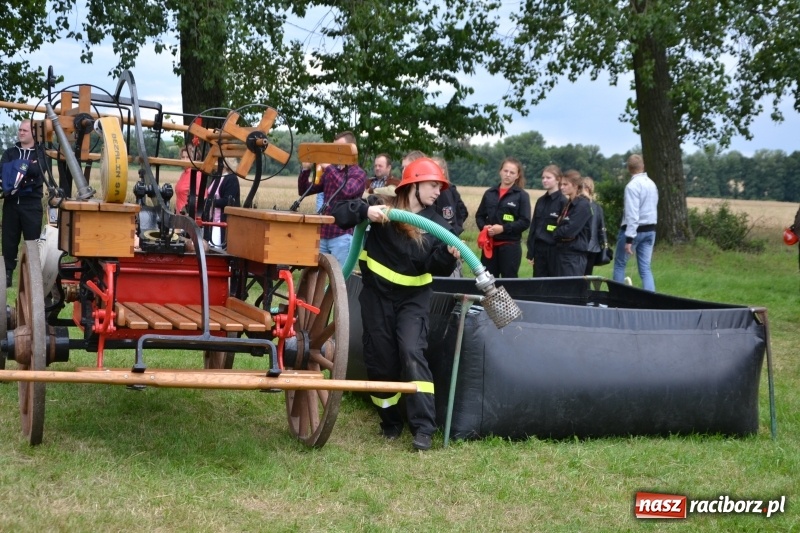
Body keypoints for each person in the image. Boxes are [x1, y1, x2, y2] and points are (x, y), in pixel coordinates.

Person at [332, 157, 459, 451]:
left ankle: (423, 428)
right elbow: (339, 213)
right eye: (432, 185)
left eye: (439, 187)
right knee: (380, 360)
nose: (437, 192)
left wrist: (447, 256)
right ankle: (390, 422)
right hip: (376, 296)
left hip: (412, 301)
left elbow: (434, 267)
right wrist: (365, 210)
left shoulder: (437, 225)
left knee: (412, 352)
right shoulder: (381, 207)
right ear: (413, 185)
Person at [298, 131, 367, 267]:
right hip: (323, 234)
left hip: (342, 236)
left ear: (350, 150)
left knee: (340, 280)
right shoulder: (332, 172)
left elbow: (347, 190)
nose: (335, 152)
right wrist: (306, 169)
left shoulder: (358, 174)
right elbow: (304, 191)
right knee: (316, 277)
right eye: (334, 148)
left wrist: (329, 167)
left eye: (339, 149)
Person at [0, 120, 46, 287]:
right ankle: (7, 275)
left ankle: (31, 278)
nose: (21, 132)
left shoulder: (40, 153)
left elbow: (38, 171)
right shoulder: (10, 152)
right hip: (11, 204)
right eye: (20, 130)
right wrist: (25, 169)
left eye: (25, 130)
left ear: (34, 133)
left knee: (32, 243)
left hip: (31, 205)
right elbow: (4, 172)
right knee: (9, 241)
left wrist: (16, 170)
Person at [475, 157, 531, 278]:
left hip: (510, 247)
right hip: (490, 246)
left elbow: (525, 221)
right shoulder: (489, 193)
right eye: (505, 171)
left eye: (512, 172)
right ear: (500, 171)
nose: (508, 175)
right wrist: (484, 227)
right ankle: (489, 298)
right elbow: (479, 216)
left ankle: (509, 298)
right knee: (487, 281)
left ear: (517, 176)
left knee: (509, 282)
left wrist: (503, 228)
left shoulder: (522, 196)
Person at [612, 154, 659, 291]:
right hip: (650, 230)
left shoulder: (632, 186)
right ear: (643, 166)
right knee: (645, 268)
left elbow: (632, 214)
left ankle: (618, 296)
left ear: (628, 168)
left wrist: (629, 238)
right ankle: (650, 300)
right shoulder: (652, 184)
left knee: (620, 264)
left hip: (635, 230)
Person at [526, 164, 567, 277]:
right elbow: (534, 226)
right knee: (538, 282)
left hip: (555, 250)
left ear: (558, 179)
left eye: (548, 178)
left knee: (553, 283)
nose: (544, 180)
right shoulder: (540, 201)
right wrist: (531, 251)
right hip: (539, 250)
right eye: (543, 177)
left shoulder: (563, 202)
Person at [431, 157, 468, 276]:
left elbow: (461, 212)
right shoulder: (426, 192)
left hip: (447, 245)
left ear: (442, 171)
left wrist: (454, 231)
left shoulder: (448, 191)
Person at [553, 170, 593, 276]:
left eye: (565, 184)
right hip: (563, 253)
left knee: (570, 291)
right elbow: (562, 228)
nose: (561, 187)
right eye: (561, 184)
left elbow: (569, 232)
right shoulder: (569, 204)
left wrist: (556, 233)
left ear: (575, 185)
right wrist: (559, 232)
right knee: (560, 290)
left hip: (574, 258)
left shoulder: (582, 205)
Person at [206, 170, 240, 248]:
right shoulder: (217, 176)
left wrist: (209, 202)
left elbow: (227, 202)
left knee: (214, 247)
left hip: (221, 221)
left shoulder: (231, 179)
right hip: (212, 219)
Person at [581, 176, 608, 275]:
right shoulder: (597, 207)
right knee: (587, 276)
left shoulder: (577, 205)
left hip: (580, 246)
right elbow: (602, 229)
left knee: (576, 277)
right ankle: (586, 290)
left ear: (587, 188)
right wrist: (604, 246)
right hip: (594, 247)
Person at [174, 147, 202, 215]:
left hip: (188, 216)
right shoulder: (183, 174)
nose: (184, 160)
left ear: (193, 159)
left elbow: (199, 200)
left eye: (188, 157)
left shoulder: (196, 175)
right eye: (183, 157)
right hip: (179, 215)